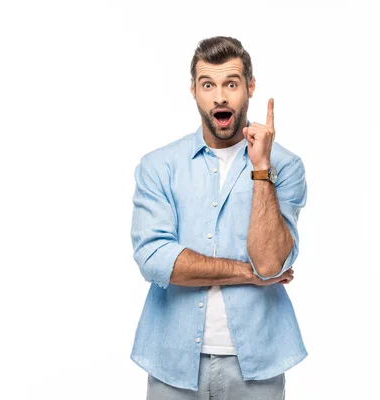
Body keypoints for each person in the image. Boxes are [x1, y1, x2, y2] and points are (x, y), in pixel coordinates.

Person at [129, 36, 308, 399]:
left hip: (258, 364)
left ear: (250, 88)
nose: (220, 97)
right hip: (172, 362)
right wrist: (248, 274)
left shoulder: (284, 166)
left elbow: (271, 262)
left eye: (231, 83)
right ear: (193, 90)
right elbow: (155, 260)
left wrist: (261, 168)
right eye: (208, 84)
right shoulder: (159, 166)